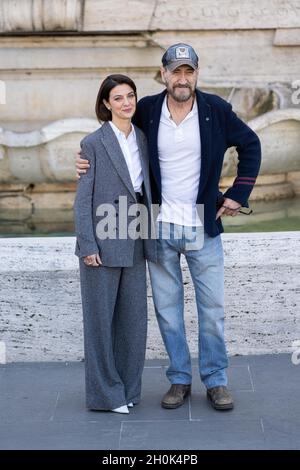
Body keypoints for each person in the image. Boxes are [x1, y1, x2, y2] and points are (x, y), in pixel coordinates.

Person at [76, 44, 261, 411]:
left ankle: (216, 380)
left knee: (212, 309)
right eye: (175, 71)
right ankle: (179, 379)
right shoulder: (146, 109)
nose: (181, 78)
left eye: (187, 71)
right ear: (163, 74)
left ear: (196, 74)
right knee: (167, 311)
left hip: (201, 227)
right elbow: (116, 141)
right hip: (157, 226)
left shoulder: (215, 110)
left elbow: (250, 145)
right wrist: (84, 161)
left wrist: (238, 195)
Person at [74, 74, 156, 414]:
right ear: (106, 104)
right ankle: (105, 395)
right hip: (103, 237)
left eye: (131, 96)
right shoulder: (93, 142)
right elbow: (82, 200)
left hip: (136, 232)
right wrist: (87, 244)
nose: (126, 102)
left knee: (134, 321)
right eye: (118, 97)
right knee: (100, 322)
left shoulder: (142, 137)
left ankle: (128, 389)